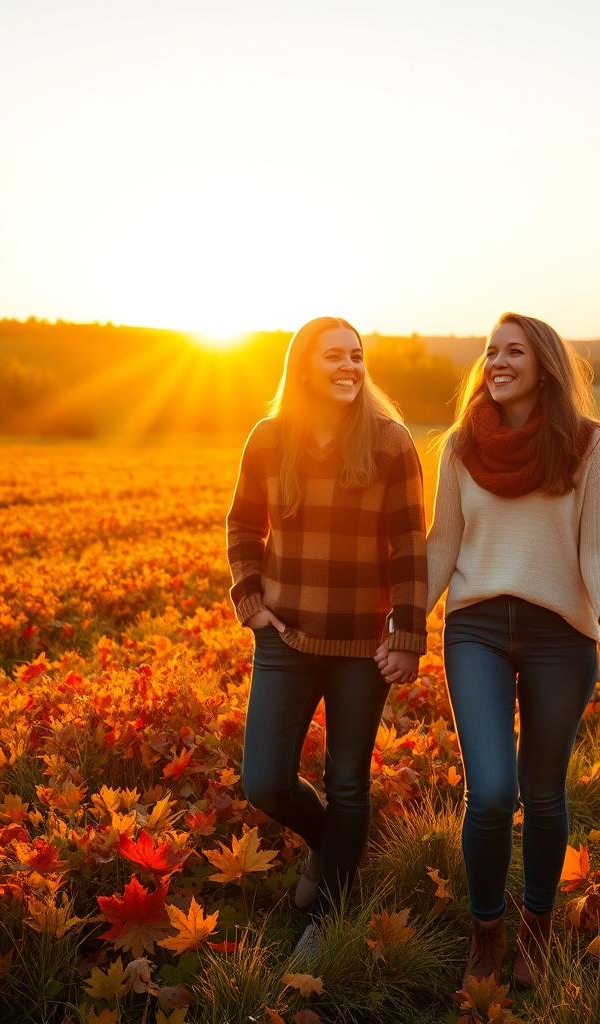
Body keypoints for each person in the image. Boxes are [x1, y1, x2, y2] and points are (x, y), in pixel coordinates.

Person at [412, 312, 600, 988]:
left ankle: (537, 929)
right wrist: (406, 624)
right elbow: (442, 543)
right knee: (492, 792)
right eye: (491, 351)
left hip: (562, 634)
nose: (498, 361)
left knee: (544, 791)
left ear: (545, 365)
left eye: (515, 352)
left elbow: (597, 550)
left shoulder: (587, 445)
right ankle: (487, 931)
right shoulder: (460, 446)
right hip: (476, 628)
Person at [226, 316, 427, 960]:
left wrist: (407, 632)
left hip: (362, 650)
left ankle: (328, 916)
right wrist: (251, 602)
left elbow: (408, 547)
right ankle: (331, 844)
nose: (349, 365)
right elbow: (242, 524)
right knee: (264, 781)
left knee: (348, 783)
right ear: (303, 366)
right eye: (334, 355)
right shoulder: (269, 438)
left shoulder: (391, 443)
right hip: (285, 641)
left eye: (357, 355)